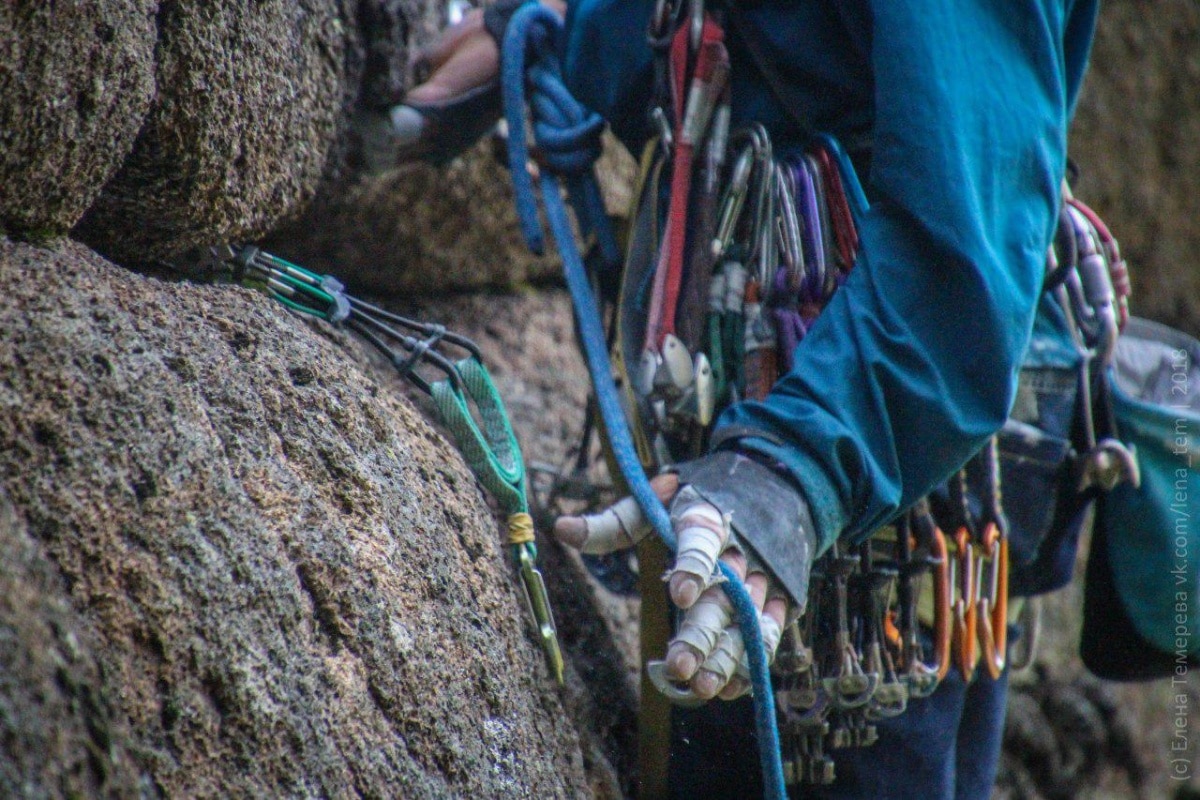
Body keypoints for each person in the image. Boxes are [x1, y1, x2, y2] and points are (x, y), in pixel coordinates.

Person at [380, 1, 1101, 797]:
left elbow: (961, 255)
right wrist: (561, 21)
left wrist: (789, 477)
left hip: (859, 477)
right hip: (750, 464)